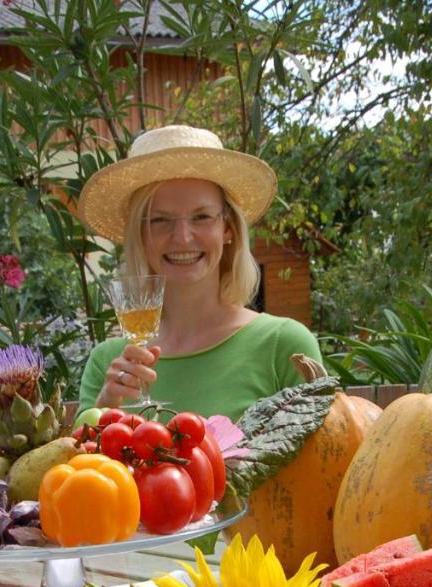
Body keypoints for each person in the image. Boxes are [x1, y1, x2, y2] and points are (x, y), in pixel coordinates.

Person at [76, 125, 324, 421]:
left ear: (228, 228)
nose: (182, 237)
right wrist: (105, 407)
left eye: (202, 217)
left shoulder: (284, 346)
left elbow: (326, 459)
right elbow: (80, 465)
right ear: (140, 235)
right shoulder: (109, 362)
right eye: (159, 220)